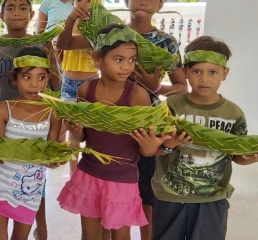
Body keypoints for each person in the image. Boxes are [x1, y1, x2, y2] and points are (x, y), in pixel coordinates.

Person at [56, 0, 188, 239]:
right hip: (105, 133)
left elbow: (181, 87)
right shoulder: (109, 35)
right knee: (103, 204)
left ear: (160, 4)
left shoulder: (167, 43)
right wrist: (73, 15)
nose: (143, 1)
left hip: (144, 130)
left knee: (142, 197)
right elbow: (64, 43)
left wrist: (153, 88)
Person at [58, 24, 173, 240]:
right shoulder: (86, 90)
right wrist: (75, 131)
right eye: (118, 59)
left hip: (123, 180)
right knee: (90, 235)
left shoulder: (137, 96)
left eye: (131, 60)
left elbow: (145, 149)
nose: (126, 67)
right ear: (97, 59)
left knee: (121, 236)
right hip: (88, 174)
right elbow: (83, 137)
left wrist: (152, 147)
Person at [150, 36, 257, 240]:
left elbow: (236, 155)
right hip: (170, 195)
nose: (204, 79)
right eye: (197, 71)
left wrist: (250, 157)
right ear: (185, 72)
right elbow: (153, 148)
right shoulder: (169, 107)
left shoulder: (233, 113)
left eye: (213, 72)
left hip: (212, 198)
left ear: (225, 73)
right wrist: (171, 145)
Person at [0, 0, 61, 240]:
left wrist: (51, 60)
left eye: (23, 8)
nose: (17, 13)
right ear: (2, 15)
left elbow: (57, 85)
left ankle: (40, 224)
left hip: (35, 126)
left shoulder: (42, 44)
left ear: (31, 13)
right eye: (10, 8)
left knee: (32, 182)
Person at [59, 0, 100, 175]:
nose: (83, 3)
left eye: (89, 0)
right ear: (72, 2)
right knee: (72, 129)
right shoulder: (66, 24)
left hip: (91, 83)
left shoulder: (98, 27)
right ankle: (73, 174)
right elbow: (61, 48)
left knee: (91, 129)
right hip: (68, 82)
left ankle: (91, 173)